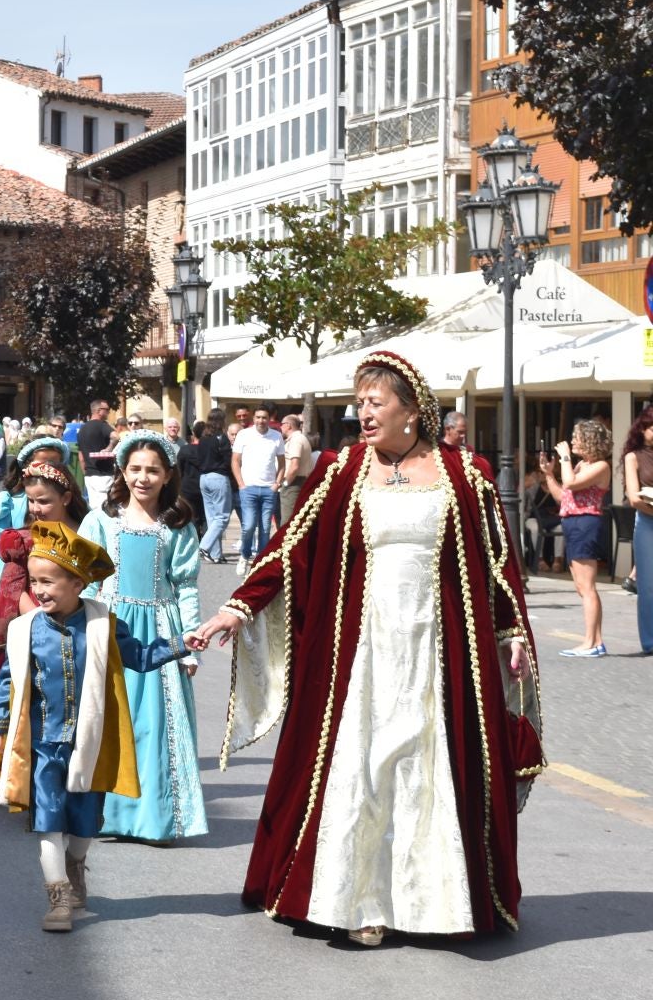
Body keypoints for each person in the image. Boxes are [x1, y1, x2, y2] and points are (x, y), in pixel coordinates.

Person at [190, 351, 542, 945]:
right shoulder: (342, 469)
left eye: (375, 403)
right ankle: (362, 901)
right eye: (360, 404)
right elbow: (288, 545)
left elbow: (497, 564)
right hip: (362, 650)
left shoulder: (465, 475)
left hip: (438, 647)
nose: (364, 414)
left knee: (425, 762)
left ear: (412, 409)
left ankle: (433, 903)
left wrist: (511, 634)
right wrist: (238, 605)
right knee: (366, 762)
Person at [0, 521, 191, 932]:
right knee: (47, 818)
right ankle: (57, 894)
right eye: (34, 581)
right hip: (42, 745)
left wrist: (184, 644)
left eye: (49, 582)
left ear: (78, 583)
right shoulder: (25, 630)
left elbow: (141, 657)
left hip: (89, 744)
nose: (39, 590)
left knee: (83, 822)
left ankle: (76, 865)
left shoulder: (103, 624)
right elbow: (7, 680)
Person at [79, 432, 207, 845]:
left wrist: (188, 643)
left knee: (154, 727)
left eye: (153, 470)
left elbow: (185, 585)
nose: (143, 477)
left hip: (159, 633)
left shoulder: (177, 528)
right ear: (122, 470)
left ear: (168, 475)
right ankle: (104, 813)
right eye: (135, 469)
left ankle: (153, 818)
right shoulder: (101, 521)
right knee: (109, 719)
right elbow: (82, 579)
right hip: (111, 626)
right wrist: (79, 628)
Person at [0, 434, 77, 679]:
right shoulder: (20, 530)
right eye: (32, 501)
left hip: (76, 623)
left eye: (53, 464)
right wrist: (42, 622)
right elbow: (14, 585)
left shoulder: (87, 529)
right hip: (31, 617)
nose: (35, 507)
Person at [539, 419, 612, 657]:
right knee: (582, 587)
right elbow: (563, 496)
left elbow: (570, 482)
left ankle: (592, 642)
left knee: (587, 587)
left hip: (585, 523)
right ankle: (594, 641)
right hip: (572, 521)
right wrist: (549, 474)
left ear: (590, 440)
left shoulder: (600, 466)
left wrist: (565, 458)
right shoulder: (581, 465)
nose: (572, 441)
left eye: (576, 437)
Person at [230, 405, 284, 571]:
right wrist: (241, 484)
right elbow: (235, 461)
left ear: (269, 419)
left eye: (264, 417)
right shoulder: (244, 435)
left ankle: (259, 562)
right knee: (249, 525)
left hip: (269, 489)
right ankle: (245, 555)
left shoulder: (276, 436)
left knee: (266, 528)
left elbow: (282, 463)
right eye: (258, 417)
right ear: (253, 419)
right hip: (249, 488)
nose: (261, 420)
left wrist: (277, 483)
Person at [625, 405, 653, 655]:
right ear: (642, 429)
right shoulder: (633, 456)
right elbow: (634, 498)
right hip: (646, 520)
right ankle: (650, 640)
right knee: (647, 584)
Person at [276, 413, 318, 529]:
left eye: (282, 424)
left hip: (293, 483)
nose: (280, 427)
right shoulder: (299, 439)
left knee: (287, 522)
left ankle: (285, 546)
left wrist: (285, 483)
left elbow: (294, 466)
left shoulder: (296, 440)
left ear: (288, 425)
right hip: (296, 482)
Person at [76, 401, 117, 511]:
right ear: (99, 411)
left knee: (94, 508)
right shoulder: (103, 425)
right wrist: (108, 449)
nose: (108, 412)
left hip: (89, 476)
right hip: (104, 475)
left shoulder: (82, 429)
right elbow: (116, 436)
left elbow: (81, 456)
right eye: (107, 410)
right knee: (105, 509)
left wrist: (86, 473)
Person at [177, 422, 207, 545]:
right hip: (204, 486)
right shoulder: (208, 451)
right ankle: (206, 543)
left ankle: (193, 541)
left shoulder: (184, 450)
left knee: (192, 516)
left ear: (194, 434)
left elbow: (179, 469)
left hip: (187, 486)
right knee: (205, 517)